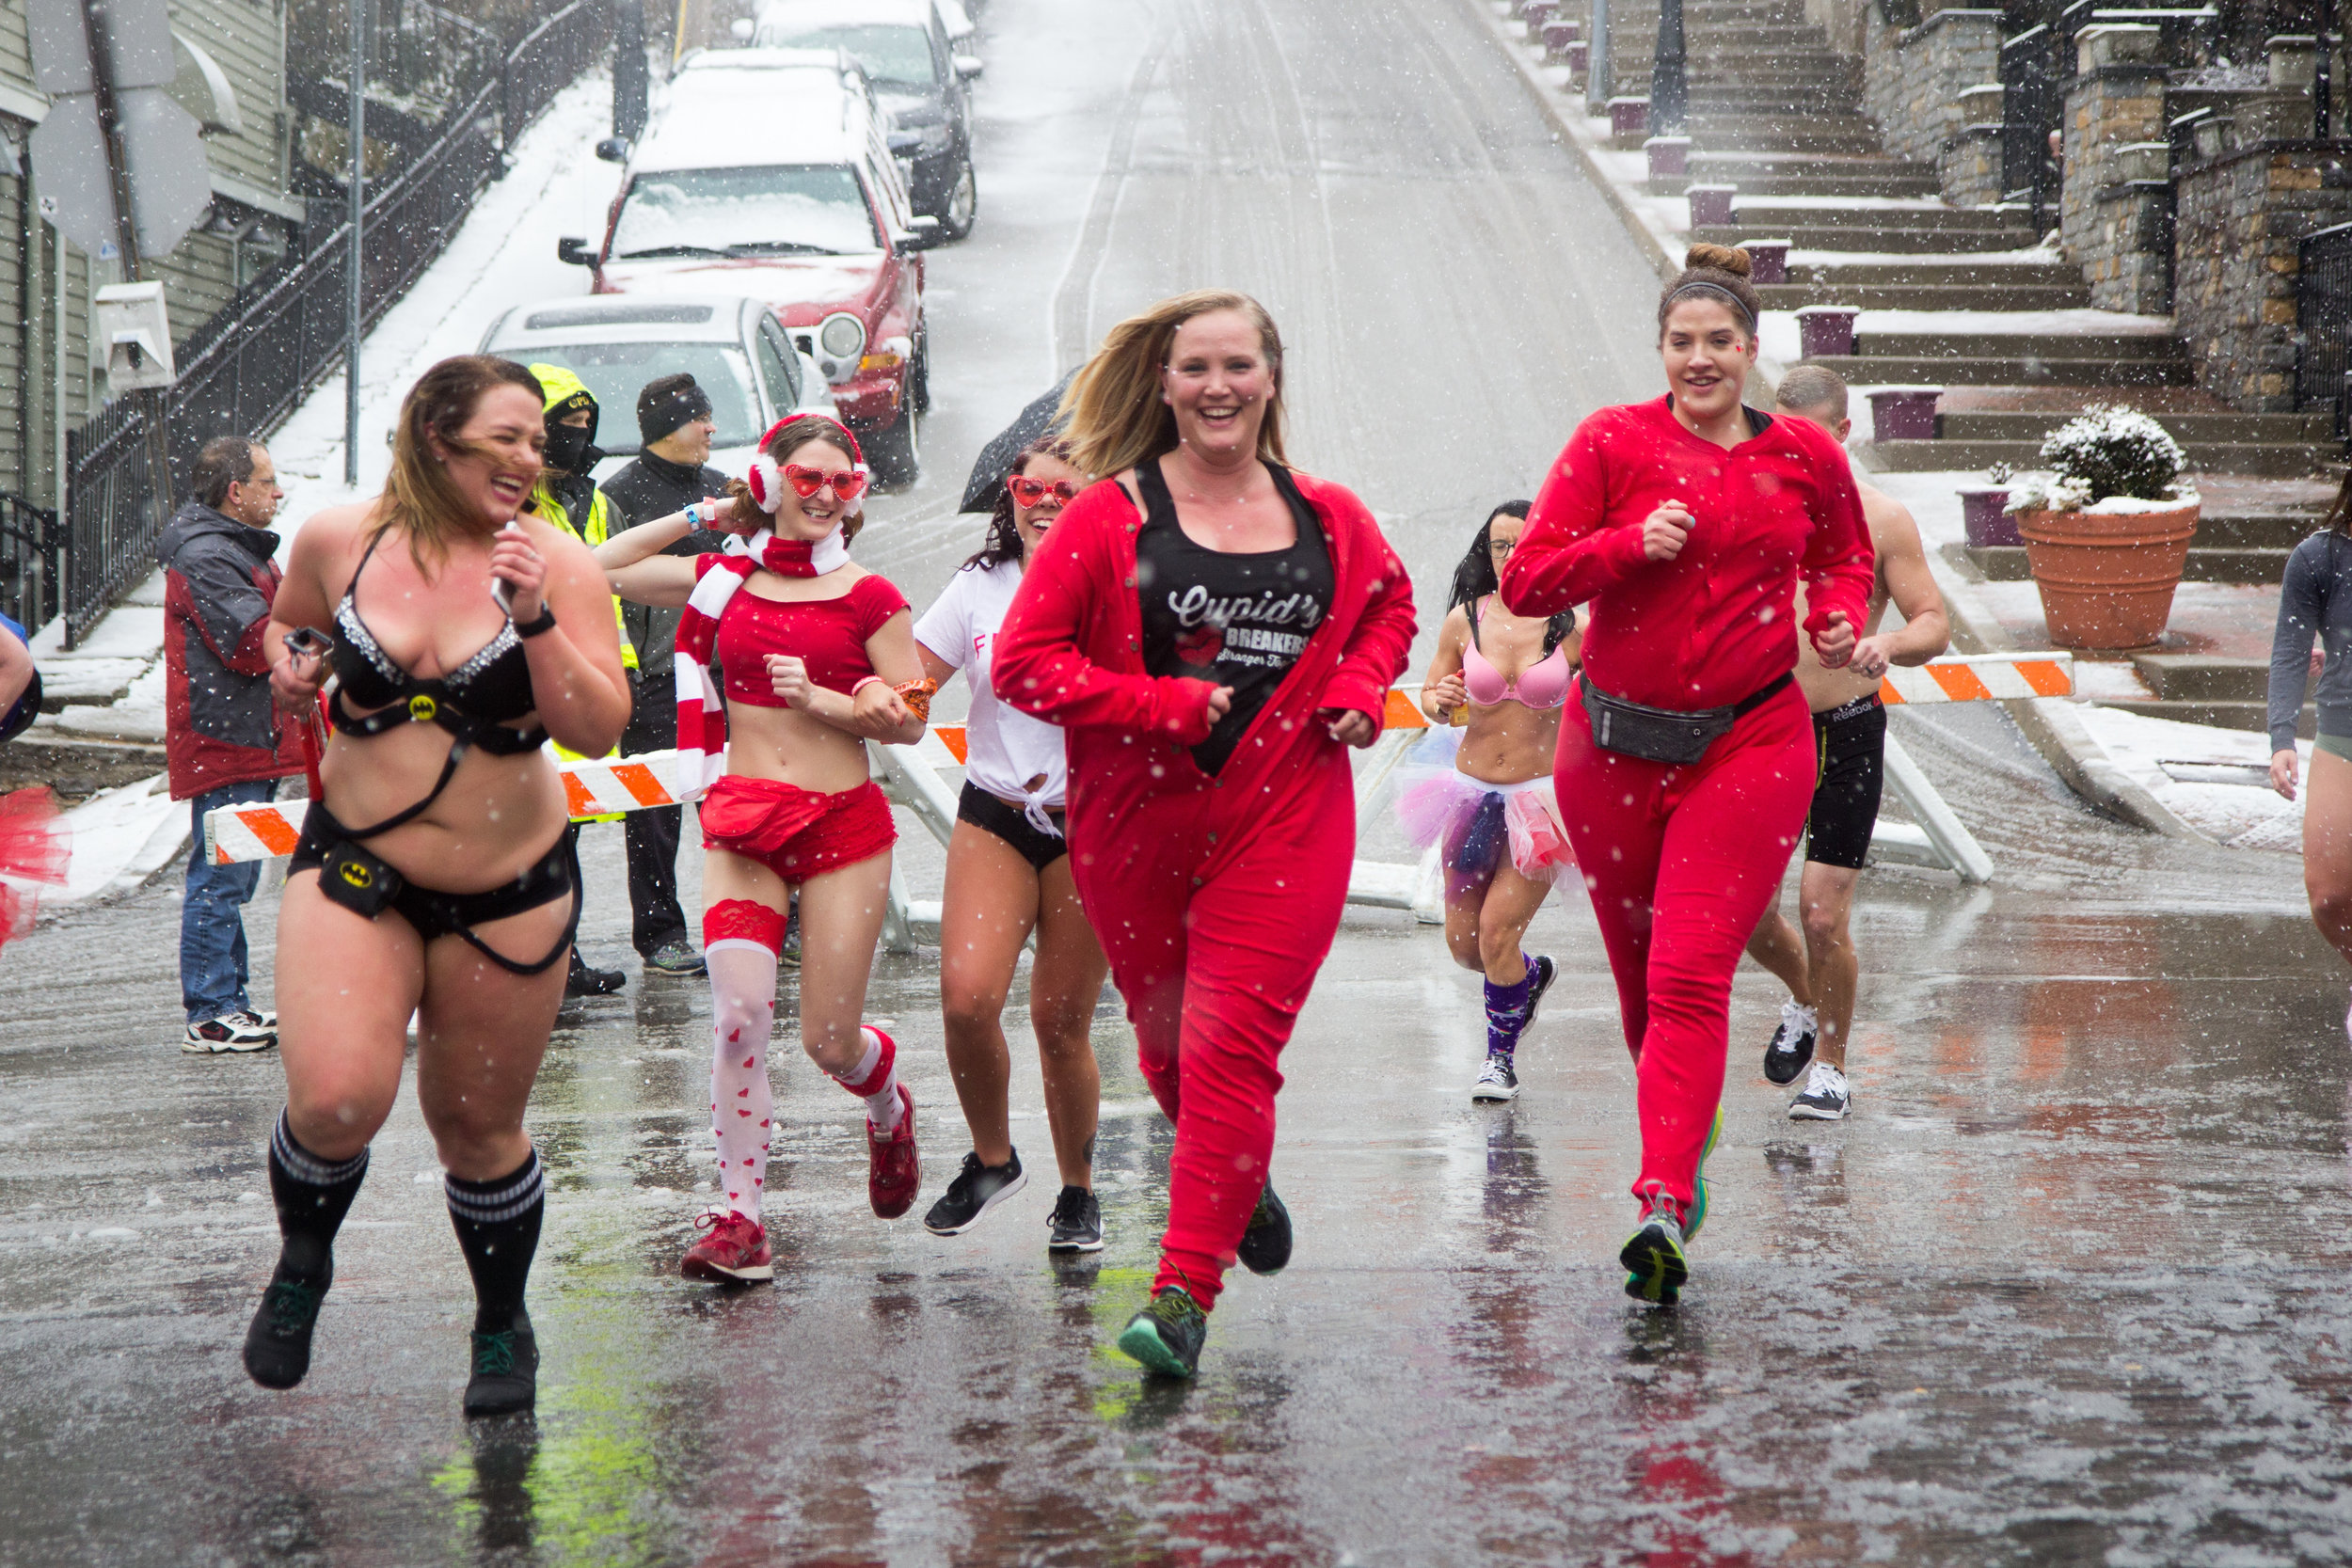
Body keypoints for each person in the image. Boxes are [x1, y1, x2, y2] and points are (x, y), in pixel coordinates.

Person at [994, 290, 1417, 1377]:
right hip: (1132, 820)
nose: (1217, 386)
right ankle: (1237, 1173)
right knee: (1171, 1044)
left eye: (1239, 365)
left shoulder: (1328, 514)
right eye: (1195, 369)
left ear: (1271, 377)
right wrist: (1157, 705)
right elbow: (1022, 665)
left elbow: (1389, 603)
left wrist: (1365, 683)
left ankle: (1181, 1292)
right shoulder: (1107, 516)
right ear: (1165, 385)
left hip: (1285, 816)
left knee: (1230, 1041)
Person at [245, 356, 630, 1416]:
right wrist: (296, 658)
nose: (529, 457)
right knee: (334, 1100)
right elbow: (289, 621)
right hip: (355, 868)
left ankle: (501, 1319)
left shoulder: (558, 560)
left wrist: (536, 618)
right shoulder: (340, 536)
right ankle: (302, 1259)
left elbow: (596, 728)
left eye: (537, 443)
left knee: (474, 1126)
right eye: (507, 437)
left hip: (508, 892)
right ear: (434, 435)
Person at [1499, 245, 1874, 1307]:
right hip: (1610, 748)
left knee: (1687, 974)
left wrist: (1839, 611)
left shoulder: (1803, 453)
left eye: (1719, 342)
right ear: (1659, 350)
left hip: (1748, 743)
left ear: (1751, 352)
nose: (1699, 359)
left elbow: (1842, 554)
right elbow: (1525, 576)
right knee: (1637, 987)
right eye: (1681, 342)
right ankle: (1683, 1139)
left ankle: (1660, 1197)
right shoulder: (1611, 440)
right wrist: (1624, 544)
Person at [595, 413, 928, 1286]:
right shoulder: (723, 580)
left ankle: (886, 1096)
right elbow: (602, 568)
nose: (823, 495)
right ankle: (741, 1216)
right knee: (739, 1017)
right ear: (772, 482)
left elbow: (913, 712)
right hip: (743, 822)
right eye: (805, 479)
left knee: (827, 1041)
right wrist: (710, 515)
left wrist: (830, 700)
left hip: (840, 829)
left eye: (841, 482)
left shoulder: (869, 596)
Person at [913, 437, 1111, 1251]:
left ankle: (1078, 1193)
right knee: (965, 1001)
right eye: (1029, 487)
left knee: (1060, 1021)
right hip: (995, 812)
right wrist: (892, 698)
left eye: (1065, 491)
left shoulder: (1125, 589)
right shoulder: (979, 586)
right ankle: (993, 1160)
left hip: (1090, 824)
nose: (1043, 502)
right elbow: (914, 678)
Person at [1740, 365, 1949, 1122]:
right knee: (1748, 915)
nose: (1799, 455)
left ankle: (1831, 1063)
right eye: (1785, 437)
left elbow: (1934, 619)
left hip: (1845, 731)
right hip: (1757, 732)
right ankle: (1803, 995)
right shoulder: (1753, 504)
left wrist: (1889, 640)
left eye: (1814, 440)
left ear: (1844, 434)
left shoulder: (1881, 518)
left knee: (1823, 914)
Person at [1403, 500, 1581, 1103]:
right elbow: (1433, 695)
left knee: (1498, 932)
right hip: (1467, 794)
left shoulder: (1570, 628)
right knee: (1465, 946)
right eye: (1499, 546)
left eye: (1521, 544)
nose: (1509, 556)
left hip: (1539, 804)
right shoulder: (1466, 619)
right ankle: (1529, 980)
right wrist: (1440, 695)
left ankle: (1498, 1061)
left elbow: (1619, 692)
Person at [157, 436, 304, 1053]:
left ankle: (228, 999)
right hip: (225, 736)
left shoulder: (232, 547)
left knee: (234, 872)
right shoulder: (209, 555)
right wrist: (305, 635)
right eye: (267, 481)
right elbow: (251, 640)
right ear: (234, 491)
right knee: (222, 875)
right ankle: (212, 1008)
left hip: (243, 734)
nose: (278, 491)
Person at [598, 372, 732, 977]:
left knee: (739, 798)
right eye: (701, 418)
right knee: (654, 808)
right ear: (668, 428)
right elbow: (601, 581)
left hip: (723, 667)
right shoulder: (618, 493)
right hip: (655, 676)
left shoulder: (719, 487)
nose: (711, 428)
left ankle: (760, 920)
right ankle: (659, 932)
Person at [527, 363, 634, 999]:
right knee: (539, 842)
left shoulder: (591, 498)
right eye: (565, 424)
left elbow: (622, 580)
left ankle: (563, 958)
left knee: (562, 841)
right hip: (544, 686)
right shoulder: (518, 506)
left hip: (594, 681)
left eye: (585, 424)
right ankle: (543, 963)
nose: (578, 434)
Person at [2267, 466, 2352, 1034]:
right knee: (2329, 897)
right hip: (2344, 734)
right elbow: (2290, 650)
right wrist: (2281, 738)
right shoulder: (2319, 558)